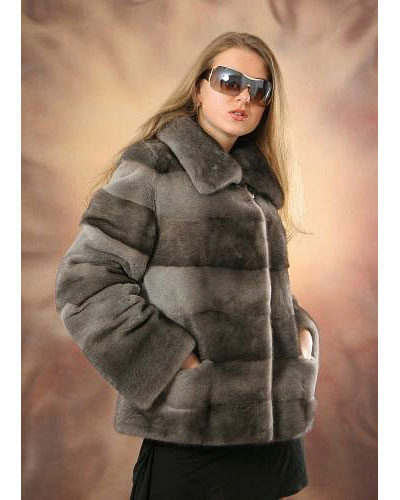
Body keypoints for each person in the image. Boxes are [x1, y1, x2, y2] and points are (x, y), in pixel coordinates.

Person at [55, 31, 320, 500]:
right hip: (194, 431)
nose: (243, 97)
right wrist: (172, 359)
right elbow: (86, 282)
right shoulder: (154, 167)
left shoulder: (257, 188)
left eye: (259, 90)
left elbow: (264, 290)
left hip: (272, 438)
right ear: (199, 88)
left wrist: (300, 336)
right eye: (229, 81)